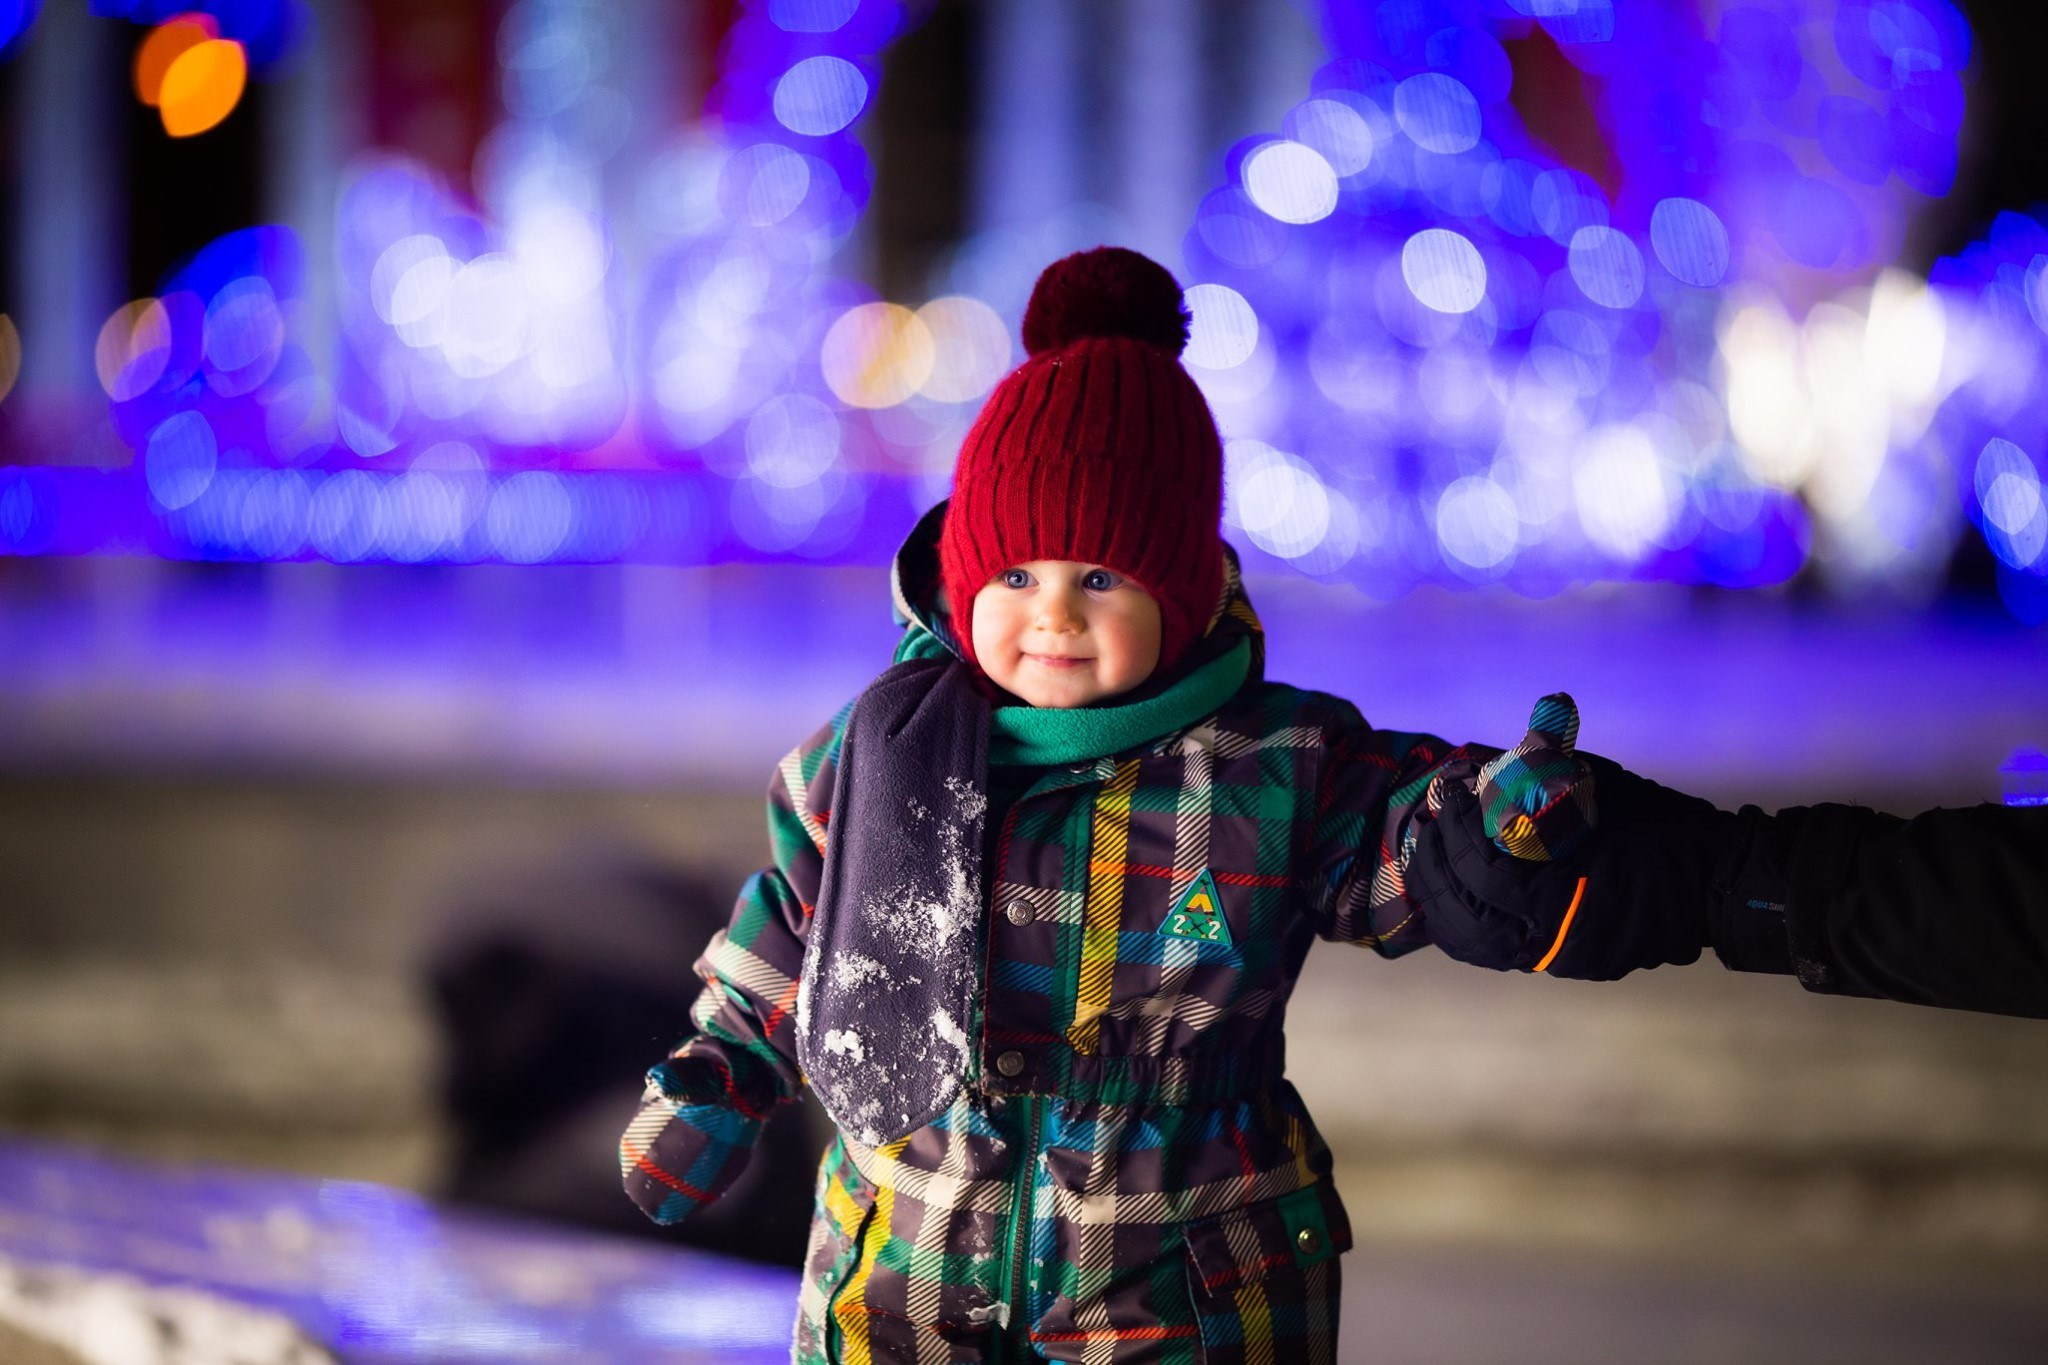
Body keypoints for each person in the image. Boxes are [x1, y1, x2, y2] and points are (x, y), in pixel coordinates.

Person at [616, 246, 2039, 1364]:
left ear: (1177, 585)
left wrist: (1497, 826)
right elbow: (792, 938)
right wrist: (720, 1076)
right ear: (960, 574)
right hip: (904, 1260)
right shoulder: (875, 754)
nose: (1049, 616)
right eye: (1016, 576)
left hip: (1176, 1271)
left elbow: (1407, 836)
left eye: (1100, 578)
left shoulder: (1269, 764)